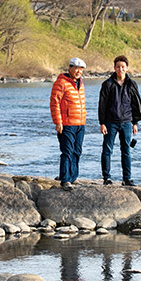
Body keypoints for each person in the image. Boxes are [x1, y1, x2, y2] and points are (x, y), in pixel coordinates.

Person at [98, 55, 141, 186]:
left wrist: (135, 123)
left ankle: (127, 179)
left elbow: (135, 104)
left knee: (126, 150)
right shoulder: (107, 84)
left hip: (126, 122)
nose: (120, 69)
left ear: (127, 68)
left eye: (123, 67)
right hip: (110, 122)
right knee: (107, 150)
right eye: (118, 67)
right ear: (114, 68)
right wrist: (102, 123)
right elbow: (102, 105)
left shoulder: (131, 84)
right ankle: (106, 178)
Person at [50, 57, 87, 191]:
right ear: (69, 68)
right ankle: (65, 179)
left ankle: (73, 177)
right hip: (66, 124)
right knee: (67, 151)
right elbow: (54, 103)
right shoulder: (61, 83)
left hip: (80, 124)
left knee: (77, 151)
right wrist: (58, 122)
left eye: (81, 69)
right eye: (76, 68)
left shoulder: (80, 83)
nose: (78, 71)